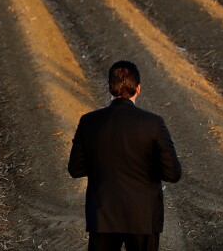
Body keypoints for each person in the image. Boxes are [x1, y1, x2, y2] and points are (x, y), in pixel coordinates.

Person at [68, 60, 181, 251]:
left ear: (109, 88)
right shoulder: (153, 124)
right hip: (143, 218)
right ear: (138, 88)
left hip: (103, 216)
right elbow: (173, 174)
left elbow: (75, 169)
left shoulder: (89, 122)